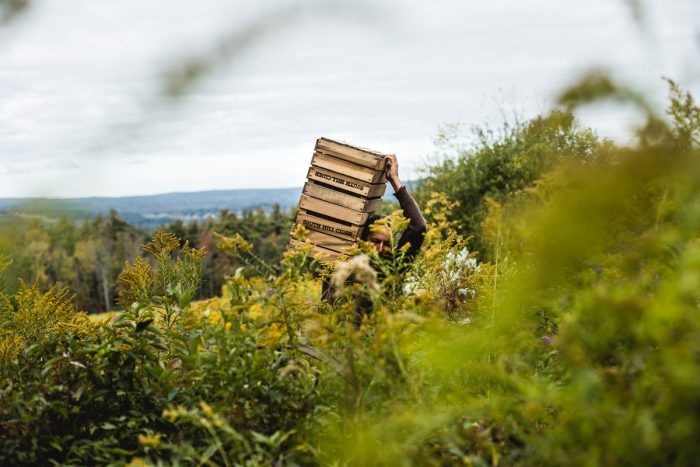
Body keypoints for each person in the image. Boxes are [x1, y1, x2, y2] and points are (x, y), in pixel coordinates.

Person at [321, 154, 427, 305]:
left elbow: (419, 227)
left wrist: (394, 179)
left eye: (387, 244)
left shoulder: (392, 267)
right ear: (362, 239)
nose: (380, 248)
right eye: (376, 241)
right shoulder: (341, 263)